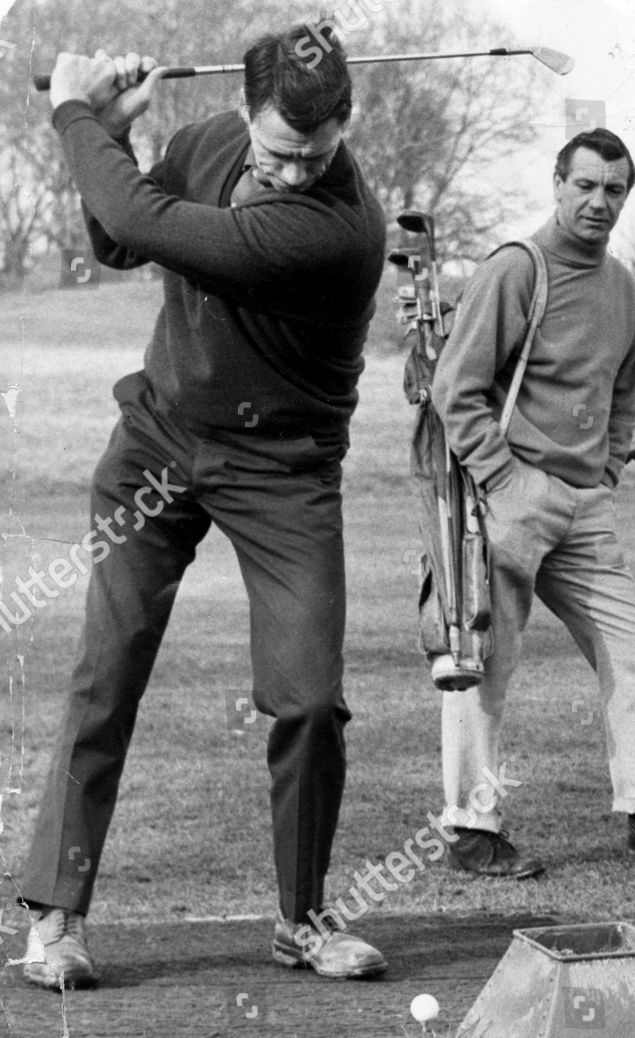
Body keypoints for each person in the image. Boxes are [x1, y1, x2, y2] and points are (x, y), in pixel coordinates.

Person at [15, 29, 390, 988]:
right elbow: (115, 235)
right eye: (276, 150)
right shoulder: (214, 141)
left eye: (315, 152)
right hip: (163, 441)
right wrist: (122, 136)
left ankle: (302, 918)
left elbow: (145, 226)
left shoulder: (337, 230)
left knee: (307, 699)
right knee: (107, 671)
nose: (295, 171)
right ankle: (57, 919)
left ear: (344, 128)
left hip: (284, 468)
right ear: (246, 114)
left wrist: (73, 110)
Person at [430, 127, 635, 875]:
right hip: (507, 503)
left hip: (585, 507)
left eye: (615, 190)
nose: (600, 202)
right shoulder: (517, 268)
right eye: (587, 186)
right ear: (558, 185)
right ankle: (472, 832)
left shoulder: (626, 290)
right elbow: (454, 388)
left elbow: (623, 395)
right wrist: (503, 479)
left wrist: (604, 476)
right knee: (480, 662)